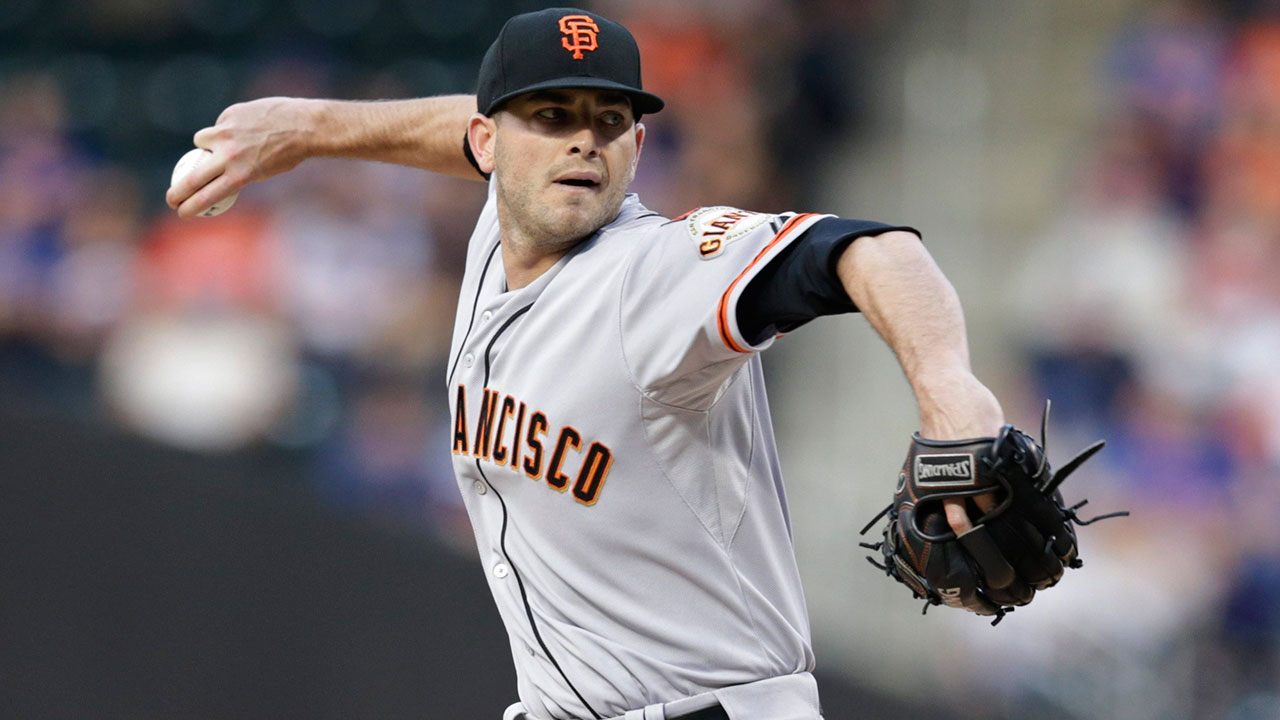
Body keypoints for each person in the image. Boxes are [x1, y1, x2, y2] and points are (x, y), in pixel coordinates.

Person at [167, 8, 1003, 720]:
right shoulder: (501, 233)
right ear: (486, 143)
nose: (583, 143)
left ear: (638, 144)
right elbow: (456, 129)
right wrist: (308, 128)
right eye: (553, 117)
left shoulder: (661, 273)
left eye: (608, 122)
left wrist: (951, 395)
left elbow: (873, 251)